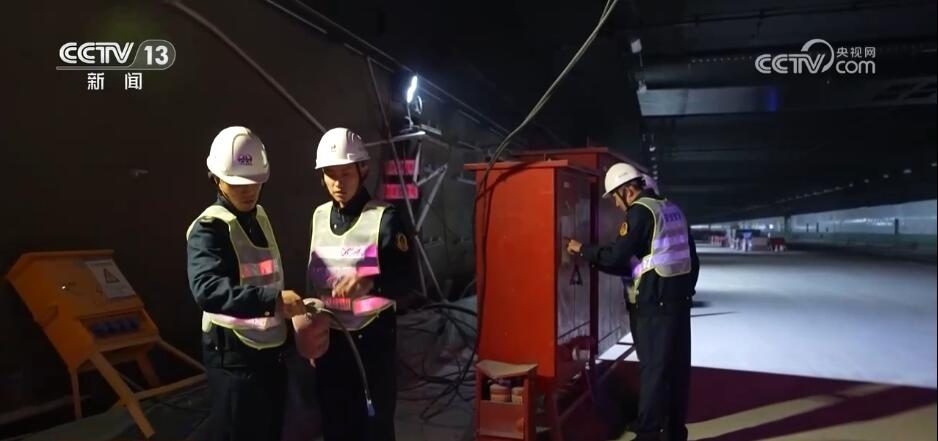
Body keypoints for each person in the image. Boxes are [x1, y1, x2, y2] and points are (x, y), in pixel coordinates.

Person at [186, 126, 330, 441]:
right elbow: (206, 289)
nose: (249, 190)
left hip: (269, 353)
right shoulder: (209, 229)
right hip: (234, 359)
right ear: (216, 179)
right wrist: (273, 301)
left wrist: (293, 327)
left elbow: (267, 276)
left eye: (255, 182)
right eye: (238, 184)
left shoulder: (259, 217)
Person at [566, 162, 699, 441]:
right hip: (678, 303)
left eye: (615, 197)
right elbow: (692, 260)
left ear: (628, 190)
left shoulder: (640, 211)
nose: (616, 205)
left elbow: (616, 256)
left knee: (653, 372)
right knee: (676, 371)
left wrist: (582, 250)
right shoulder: (672, 209)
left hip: (654, 307)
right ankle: (674, 433)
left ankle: (648, 435)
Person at [307, 127, 416, 441]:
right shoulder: (318, 216)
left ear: (362, 170)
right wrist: (310, 328)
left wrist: (370, 283)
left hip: (372, 344)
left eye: (346, 173)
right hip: (331, 344)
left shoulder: (384, 218)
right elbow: (312, 281)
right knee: (334, 425)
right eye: (331, 174)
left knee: (372, 427)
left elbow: (407, 278)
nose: (338, 183)